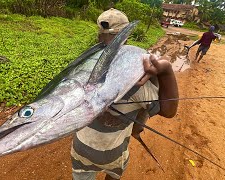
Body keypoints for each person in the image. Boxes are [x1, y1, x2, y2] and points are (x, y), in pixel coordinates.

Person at [71, 8, 179, 180]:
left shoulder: (82, 70)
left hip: (81, 152)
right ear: (126, 37)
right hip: (115, 156)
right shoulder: (140, 79)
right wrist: (166, 71)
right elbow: (168, 111)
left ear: (99, 36)